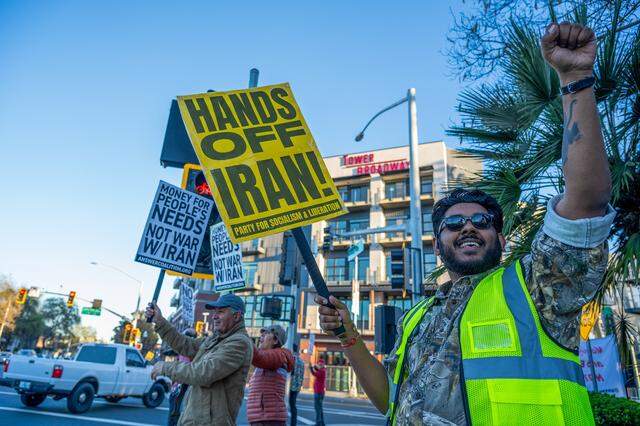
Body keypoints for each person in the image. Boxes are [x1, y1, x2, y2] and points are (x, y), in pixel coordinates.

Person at [316, 22, 615, 425]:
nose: (468, 227)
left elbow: (585, 203)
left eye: (481, 220)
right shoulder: (417, 317)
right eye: (454, 224)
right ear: (438, 246)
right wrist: (348, 336)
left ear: (501, 236)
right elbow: (391, 400)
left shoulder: (536, 288)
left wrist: (576, 80)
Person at [147, 293, 253, 426]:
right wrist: (160, 321)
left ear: (236, 316)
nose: (214, 316)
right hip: (195, 419)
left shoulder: (239, 343)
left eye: (220, 312)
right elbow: (186, 345)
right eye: (214, 312)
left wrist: (165, 367)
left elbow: (203, 373)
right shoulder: (216, 338)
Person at [246, 325, 294, 426]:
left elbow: (259, 357)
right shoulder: (268, 358)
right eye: (262, 334)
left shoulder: (279, 355)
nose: (261, 336)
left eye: (266, 333)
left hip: (269, 419)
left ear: (275, 340)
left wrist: (244, 339)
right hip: (262, 418)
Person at [167, 328, 196, 426]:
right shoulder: (182, 349)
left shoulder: (191, 349)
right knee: (175, 407)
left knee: (175, 408)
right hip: (181, 381)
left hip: (185, 380)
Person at [289, 345, 305, 426]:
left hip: (289, 386)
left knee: (283, 404)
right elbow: (302, 375)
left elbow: (290, 373)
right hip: (297, 386)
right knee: (293, 406)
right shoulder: (302, 361)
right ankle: (293, 423)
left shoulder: (291, 359)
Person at [309, 359, 326, 426]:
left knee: (317, 408)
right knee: (320, 408)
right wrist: (312, 367)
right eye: (319, 364)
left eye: (320, 364)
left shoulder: (322, 371)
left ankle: (318, 423)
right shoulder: (322, 370)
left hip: (318, 392)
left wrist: (311, 368)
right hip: (320, 392)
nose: (319, 365)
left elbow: (314, 373)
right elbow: (316, 369)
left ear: (322, 365)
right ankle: (322, 422)